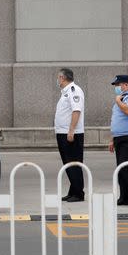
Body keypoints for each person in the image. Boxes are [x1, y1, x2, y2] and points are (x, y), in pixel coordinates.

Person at [55, 68, 85, 202]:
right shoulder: (65, 92)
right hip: (63, 133)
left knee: (73, 163)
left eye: (58, 77)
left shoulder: (74, 90)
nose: (58, 80)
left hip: (71, 134)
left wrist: (71, 130)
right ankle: (73, 191)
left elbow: (76, 111)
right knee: (68, 163)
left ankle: (78, 193)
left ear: (62, 78)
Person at [109, 75, 128, 206]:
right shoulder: (121, 98)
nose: (116, 88)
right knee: (120, 169)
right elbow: (116, 120)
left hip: (127, 137)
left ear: (125, 85)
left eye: (117, 85)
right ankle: (123, 196)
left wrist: (118, 101)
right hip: (118, 137)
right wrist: (112, 139)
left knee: (126, 168)